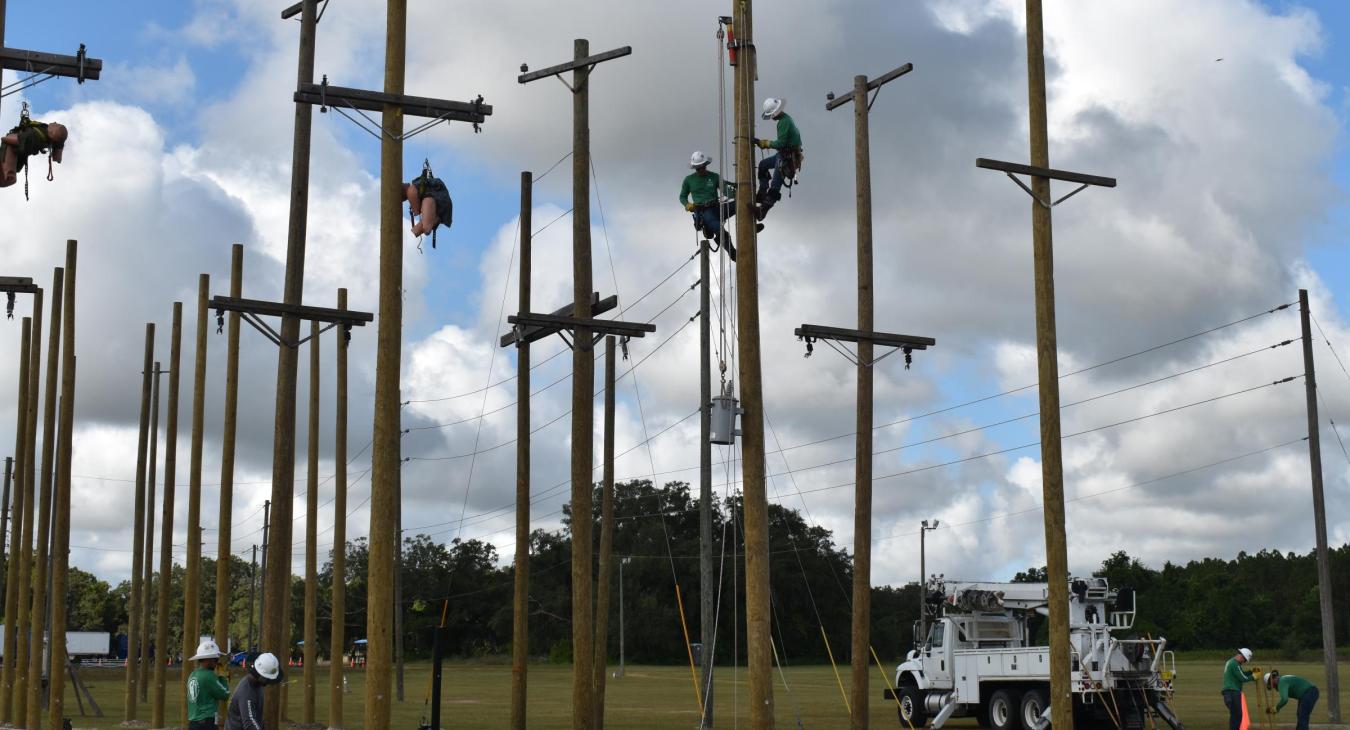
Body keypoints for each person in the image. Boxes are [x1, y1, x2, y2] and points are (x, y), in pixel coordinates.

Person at [680, 150, 760, 262]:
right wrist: (687, 205)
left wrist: (737, 193)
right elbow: (682, 196)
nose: (701, 170)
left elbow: (725, 190)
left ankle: (752, 225)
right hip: (705, 213)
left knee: (740, 203)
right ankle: (732, 252)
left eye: (702, 167)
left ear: (705, 165)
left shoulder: (714, 177)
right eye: (698, 168)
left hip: (717, 208)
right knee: (721, 231)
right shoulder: (689, 180)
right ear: (695, 168)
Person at [753, 97, 802, 220]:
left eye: (771, 115)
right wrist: (763, 143)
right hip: (783, 154)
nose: (771, 118)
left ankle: (762, 211)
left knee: (775, 184)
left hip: (786, 157)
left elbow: (781, 143)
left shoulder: (784, 122)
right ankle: (762, 192)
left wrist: (765, 143)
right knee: (763, 165)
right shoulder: (786, 119)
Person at [1, 116, 67, 189]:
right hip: (25, 150)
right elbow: (57, 158)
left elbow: (8, 139)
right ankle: (9, 173)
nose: (55, 122)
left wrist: (6, 138)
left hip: (23, 145)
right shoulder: (56, 140)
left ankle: (8, 174)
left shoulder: (33, 136)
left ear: (52, 132)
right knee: (17, 158)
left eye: (56, 125)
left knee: (9, 147)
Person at [225, 651, 281, 730]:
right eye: (268, 679)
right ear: (261, 677)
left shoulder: (257, 685)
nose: (268, 682)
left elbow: (256, 718)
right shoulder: (247, 692)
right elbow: (249, 723)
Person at [186, 640, 231, 730]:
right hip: (206, 723)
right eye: (216, 659)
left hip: (193, 723)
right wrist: (222, 676)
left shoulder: (193, 674)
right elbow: (225, 694)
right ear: (208, 659)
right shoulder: (209, 676)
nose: (217, 662)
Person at [406, 168, 453, 241]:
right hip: (426, 195)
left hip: (432, 200)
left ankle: (423, 222)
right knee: (423, 228)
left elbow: (426, 229)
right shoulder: (414, 191)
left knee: (425, 228)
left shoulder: (429, 200)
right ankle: (421, 223)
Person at [1221, 648, 1259, 730]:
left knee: (1235, 715)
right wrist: (1254, 676)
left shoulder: (1231, 662)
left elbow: (1240, 674)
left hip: (1228, 693)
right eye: (1245, 660)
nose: (1244, 662)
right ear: (1242, 657)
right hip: (1233, 692)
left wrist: (1251, 671)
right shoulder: (1235, 664)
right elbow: (1243, 678)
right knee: (1238, 715)